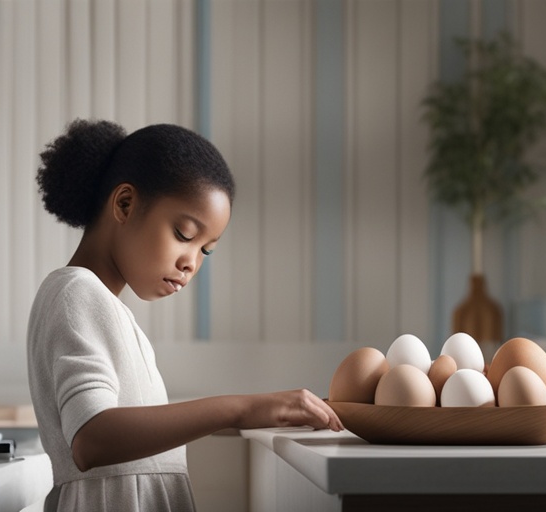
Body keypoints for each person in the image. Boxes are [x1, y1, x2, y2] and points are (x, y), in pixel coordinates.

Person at [27, 119, 342, 512]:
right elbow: (92, 438)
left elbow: (139, 433)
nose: (191, 263)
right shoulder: (76, 293)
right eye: (184, 235)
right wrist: (240, 408)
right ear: (124, 204)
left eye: (205, 250)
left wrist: (269, 411)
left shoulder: (106, 308)